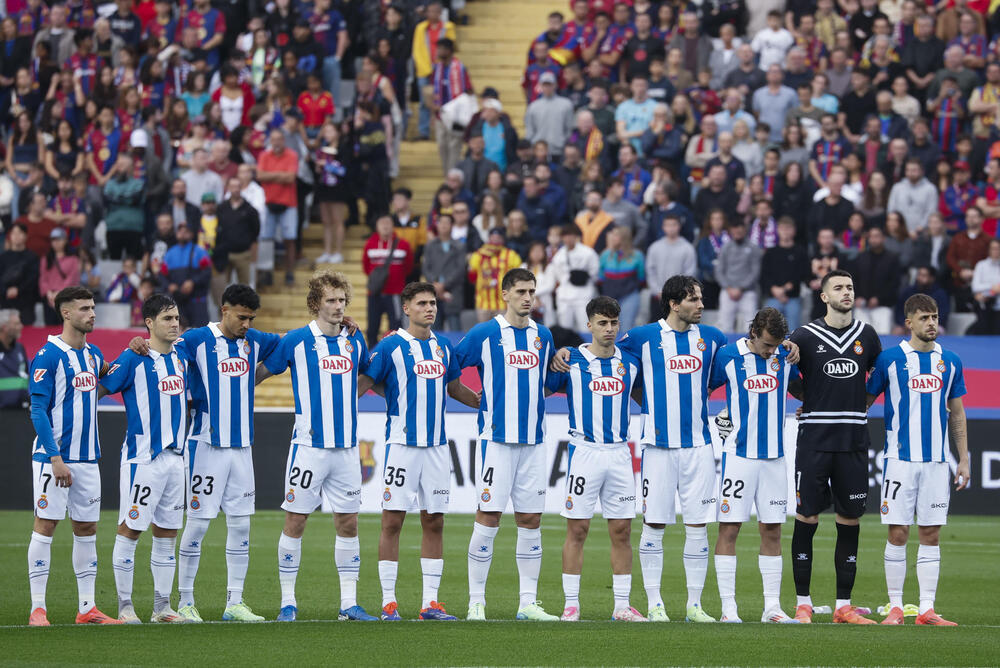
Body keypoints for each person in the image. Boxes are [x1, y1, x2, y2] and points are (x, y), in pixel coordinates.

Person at [128, 284, 280, 623]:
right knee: (197, 525)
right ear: (224, 310)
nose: (247, 324)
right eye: (241, 317)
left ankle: (235, 603)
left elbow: (291, 345)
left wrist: (340, 325)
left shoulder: (254, 341)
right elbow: (161, 348)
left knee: (241, 525)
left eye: (251, 318)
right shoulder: (196, 339)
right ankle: (185, 601)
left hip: (242, 447)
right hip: (205, 445)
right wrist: (138, 342)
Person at [254, 272, 377, 622]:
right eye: (331, 301)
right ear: (314, 304)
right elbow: (261, 373)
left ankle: (348, 604)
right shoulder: (294, 340)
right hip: (309, 448)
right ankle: (288, 602)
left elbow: (367, 375)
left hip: (347, 449)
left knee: (349, 523)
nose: (338, 307)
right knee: (295, 521)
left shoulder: (355, 340)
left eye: (342, 300)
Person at [357, 281, 479, 622]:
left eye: (433, 303)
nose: (430, 308)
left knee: (434, 521)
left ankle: (430, 603)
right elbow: (365, 383)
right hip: (402, 446)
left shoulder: (443, 346)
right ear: (406, 308)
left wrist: (484, 403)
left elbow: (454, 387)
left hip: (438, 447)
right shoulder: (391, 346)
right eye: (422, 303)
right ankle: (388, 602)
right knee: (392, 520)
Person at [615, 275, 728, 623]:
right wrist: (649, 403)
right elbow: (614, 366)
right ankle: (655, 604)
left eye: (701, 298)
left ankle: (694, 605)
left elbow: (718, 379)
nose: (701, 305)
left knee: (698, 525)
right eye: (694, 299)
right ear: (674, 303)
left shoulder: (713, 338)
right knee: (654, 524)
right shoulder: (640, 338)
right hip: (658, 447)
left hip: (698, 446)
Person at [455, 268, 558, 622]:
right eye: (521, 292)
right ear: (505, 295)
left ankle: (527, 603)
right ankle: (476, 601)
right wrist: (474, 399)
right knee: (488, 517)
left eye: (532, 291)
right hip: (496, 441)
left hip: (533, 441)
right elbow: (450, 367)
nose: (528, 297)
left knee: (531, 519)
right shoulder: (485, 333)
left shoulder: (543, 335)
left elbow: (549, 381)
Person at [866, 293, 970, 626]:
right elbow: (864, 402)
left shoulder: (950, 360)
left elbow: (958, 413)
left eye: (935, 317)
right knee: (898, 533)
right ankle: (895, 606)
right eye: (925, 318)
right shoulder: (889, 360)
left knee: (931, 534)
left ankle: (926, 609)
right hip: (899, 460)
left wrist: (963, 459)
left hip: (938, 462)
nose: (932, 324)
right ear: (909, 322)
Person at [787, 270, 882, 624]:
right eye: (839, 288)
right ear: (824, 296)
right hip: (814, 440)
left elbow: (878, 376)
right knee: (807, 516)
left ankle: (844, 605)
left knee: (849, 519)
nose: (847, 293)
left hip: (854, 440)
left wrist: (863, 402)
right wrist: (810, 399)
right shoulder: (804, 336)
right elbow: (792, 382)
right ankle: (803, 603)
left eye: (850, 288)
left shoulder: (867, 337)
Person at [545, 296, 645, 622]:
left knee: (622, 531)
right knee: (578, 529)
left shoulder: (629, 361)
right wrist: (553, 357)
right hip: (584, 452)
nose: (609, 329)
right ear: (589, 326)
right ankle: (571, 604)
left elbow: (649, 394)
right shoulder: (571, 359)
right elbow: (543, 388)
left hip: (619, 452)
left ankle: (621, 606)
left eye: (614, 323)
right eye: (602, 323)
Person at [27, 286, 121, 626]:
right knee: (46, 525)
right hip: (53, 459)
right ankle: (38, 608)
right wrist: (55, 458)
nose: (92, 313)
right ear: (66, 313)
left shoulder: (93, 355)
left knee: (87, 528)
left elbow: (114, 371)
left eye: (93, 307)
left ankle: (87, 608)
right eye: (84, 308)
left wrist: (135, 349)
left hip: (88, 458)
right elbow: (38, 411)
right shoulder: (48, 355)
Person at [98, 294, 188, 624]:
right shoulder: (133, 356)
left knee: (167, 533)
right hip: (142, 460)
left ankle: (162, 607)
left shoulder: (182, 358)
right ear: (149, 323)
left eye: (176, 317)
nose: (175, 323)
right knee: (131, 529)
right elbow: (99, 389)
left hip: (175, 460)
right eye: (167, 318)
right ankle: (124, 606)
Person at [709, 307, 799, 624]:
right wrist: (715, 420)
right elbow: (701, 390)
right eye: (767, 344)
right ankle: (728, 609)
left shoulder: (786, 358)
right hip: (739, 456)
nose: (771, 350)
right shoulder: (727, 357)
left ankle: (772, 608)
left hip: (775, 457)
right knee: (730, 527)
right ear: (754, 331)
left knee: (772, 529)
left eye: (777, 344)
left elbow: (805, 390)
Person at [362, 214, 414, 345]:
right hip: (375, 293)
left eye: (388, 223)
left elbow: (408, 267)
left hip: (395, 294)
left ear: (393, 226)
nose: (385, 226)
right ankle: (372, 354)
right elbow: (366, 267)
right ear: (377, 226)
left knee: (396, 326)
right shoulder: (370, 244)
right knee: (372, 326)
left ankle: (394, 354)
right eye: (382, 223)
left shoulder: (403, 244)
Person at [258, 128, 300, 286]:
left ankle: (290, 272)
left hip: (288, 203)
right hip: (269, 202)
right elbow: (260, 175)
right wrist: (280, 175)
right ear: (270, 141)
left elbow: (290, 178)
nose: (276, 142)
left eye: (279, 139)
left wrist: (271, 175)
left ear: (284, 140)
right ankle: (267, 273)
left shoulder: (292, 155)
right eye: (273, 139)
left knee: (290, 238)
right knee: (267, 239)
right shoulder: (264, 155)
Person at [212, 177, 260, 310]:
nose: (235, 189)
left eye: (238, 186)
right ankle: (222, 319)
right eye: (232, 186)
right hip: (224, 253)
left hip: (243, 253)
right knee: (221, 288)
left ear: (241, 188)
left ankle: (246, 316)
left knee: (245, 289)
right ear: (228, 188)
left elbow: (256, 230)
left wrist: (247, 243)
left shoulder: (250, 209)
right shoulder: (221, 208)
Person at [160, 222, 211, 328]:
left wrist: (193, 282)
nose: (183, 234)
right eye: (180, 231)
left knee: (200, 333)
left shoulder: (200, 251)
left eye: (186, 231)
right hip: (178, 302)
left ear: (192, 235)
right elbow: (162, 275)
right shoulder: (170, 253)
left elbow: (207, 272)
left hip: (197, 302)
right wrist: (169, 286)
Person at [761, 218, 809, 330]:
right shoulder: (770, 252)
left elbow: (803, 272)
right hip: (773, 296)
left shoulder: (800, 252)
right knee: (768, 329)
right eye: (782, 228)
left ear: (794, 231)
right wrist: (774, 289)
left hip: (793, 297)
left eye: (788, 228)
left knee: (793, 330)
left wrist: (788, 288)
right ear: (777, 230)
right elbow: (764, 274)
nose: (785, 232)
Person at [716, 220, 763, 333]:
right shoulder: (725, 248)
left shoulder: (753, 248)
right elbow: (719, 271)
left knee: (751, 328)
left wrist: (741, 288)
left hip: (747, 292)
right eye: (735, 228)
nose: (737, 230)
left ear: (745, 229)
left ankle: (750, 350)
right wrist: (728, 288)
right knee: (725, 327)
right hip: (728, 292)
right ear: (731, 230)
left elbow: (755, 272)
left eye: (740, 227)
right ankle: (726, 350)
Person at [550, 224, 600, 331]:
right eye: (566, 236)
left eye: (571, 235)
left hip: (583, 295)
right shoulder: (559, 255)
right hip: (564, 296)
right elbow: (558, 276)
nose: (568, 238)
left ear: (577, 236)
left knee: (585, 327)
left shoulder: (588, 252)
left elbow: (595, 272)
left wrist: (583, 277)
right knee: (565, 329)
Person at [421, 215, 466, 331]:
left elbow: (460, 269)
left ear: (452, 225)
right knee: (435, 331)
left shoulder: (459, 246)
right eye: (441, 222)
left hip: (453, 291)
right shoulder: (430, 245)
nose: (444, 225)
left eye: (447, 223)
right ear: (437, 225)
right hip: (434, 292)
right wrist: (434, 284)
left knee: (455, 329)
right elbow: (426, 268)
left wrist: (444, 285)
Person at [469, 228, 523, 322]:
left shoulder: (511, 255)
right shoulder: (478, 254)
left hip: (503, 303)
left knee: (503, 333)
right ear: (489, 238)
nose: (495, 240)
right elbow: (472, 277)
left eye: (498, 237)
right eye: (493, 237)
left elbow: (518, 277)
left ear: (503, 239)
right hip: (483, 303)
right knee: (484, 334)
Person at [0, 224, 41, 325]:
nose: (16, 236)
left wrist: (18, 290)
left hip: (26, 301)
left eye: (20, 233)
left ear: (26, 236)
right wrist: (5, 291)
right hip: (5, 300)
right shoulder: (3, 257)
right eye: (13, 233)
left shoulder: (32, 257)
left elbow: (33, 278)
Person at [0, 308, 28, 409]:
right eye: (16, 324)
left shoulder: (19, 348)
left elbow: (25, 375)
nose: (21, 326)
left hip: (20, 411)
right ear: (4, 327)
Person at [971, 238, 1000, 334]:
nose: (995, 251)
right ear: (989, 250)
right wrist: (993, 287)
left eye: (998, 248)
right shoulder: (981, 265)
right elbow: (975, 286)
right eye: (993, 248)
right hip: (984, 304)